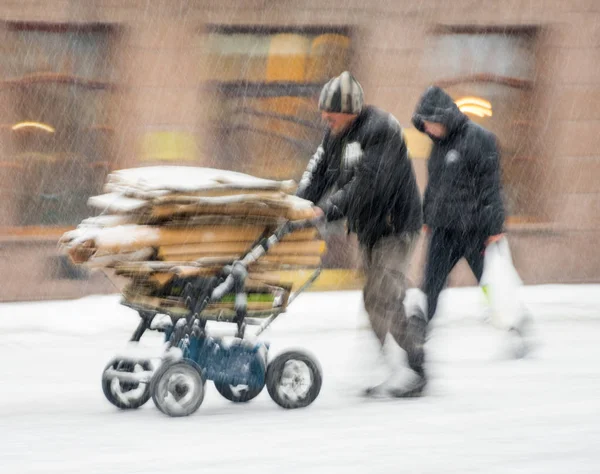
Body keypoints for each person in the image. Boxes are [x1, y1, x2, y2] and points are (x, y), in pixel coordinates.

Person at [296, 71, 426, 397]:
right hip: (370, 229)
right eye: (324, 111)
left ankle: (415, 366)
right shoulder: (335, 135)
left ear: (351, 109)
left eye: (331, 112)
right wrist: (296, 205)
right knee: (374, 300)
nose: (325, 118)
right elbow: (318, 173)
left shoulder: (381, 130)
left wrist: (327, 210)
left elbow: (369, 186)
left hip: (395, 226)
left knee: (384, 295)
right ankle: (393, 364)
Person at [411, 85, 506, 324]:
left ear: (442, 117)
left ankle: (512, 323)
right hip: (443, 230)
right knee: (430, 285)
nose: (427, 129)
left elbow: (491, 186)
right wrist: (427, 219)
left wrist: (494, 227)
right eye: (424, 125)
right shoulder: (438, 146)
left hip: (475, 230)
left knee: (491, 283)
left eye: (430, 123)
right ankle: (418, 337)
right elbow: (434, 187)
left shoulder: (479, 139)